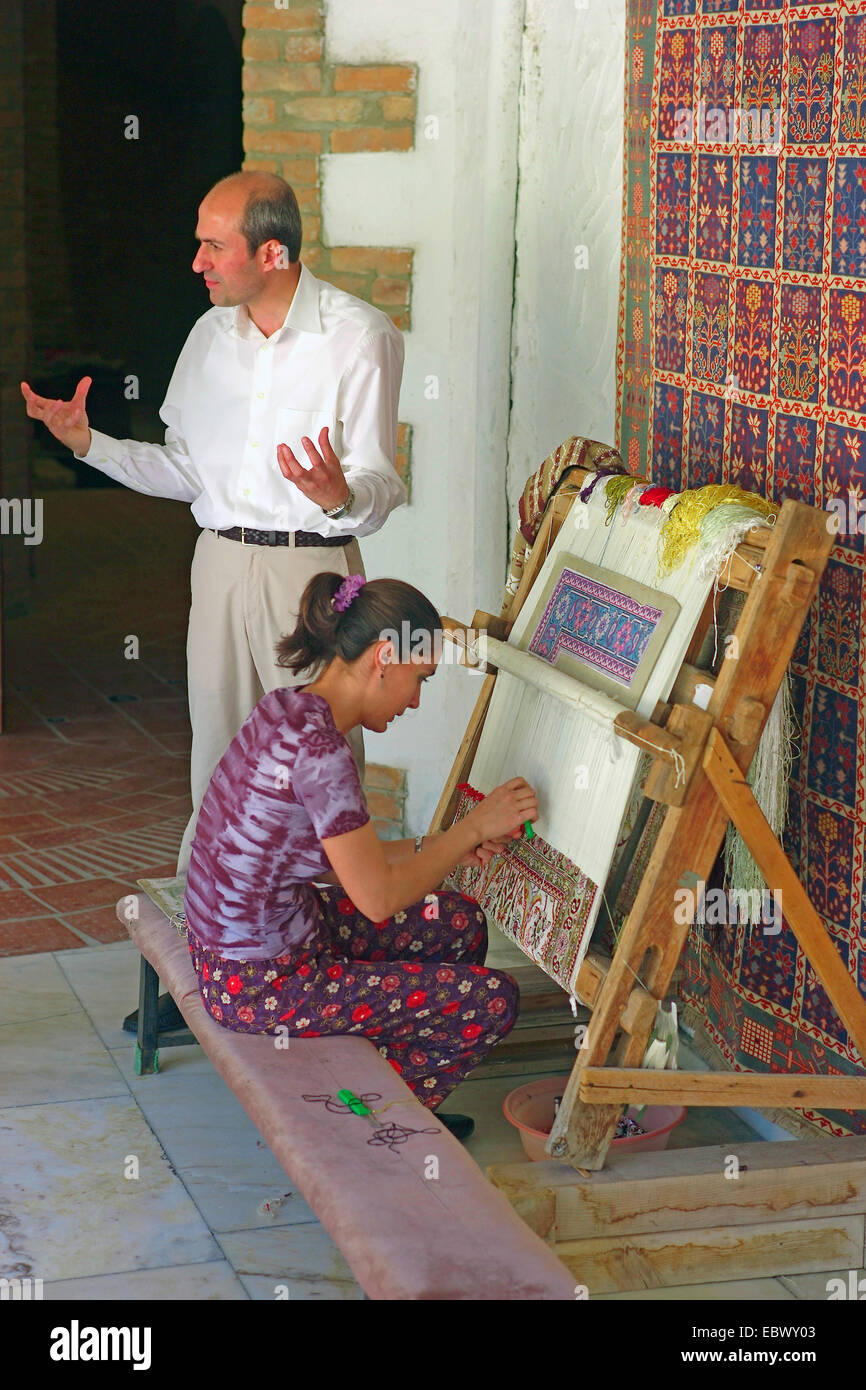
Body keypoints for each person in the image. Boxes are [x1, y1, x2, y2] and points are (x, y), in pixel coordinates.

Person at [20, 170, 406, 878]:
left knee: (318, 770)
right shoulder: (205, 337)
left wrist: (339, 492)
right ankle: (214, 947)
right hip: (220, 564)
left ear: (271, 254)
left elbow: (382, 488)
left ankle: (320, 946)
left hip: (314, 575)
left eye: (212, 246)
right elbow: (188, 471)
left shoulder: (359, 337)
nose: (197, 262)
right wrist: (89, 445)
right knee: (220, 762)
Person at [183, 572, 538, 1137]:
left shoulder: (287, 709)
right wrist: (468, 829)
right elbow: (377, 899)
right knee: (492, 1001)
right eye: (419, 679)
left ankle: (379, 1058)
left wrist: (437, 845)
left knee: (458, 924)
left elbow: (330, 856)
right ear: (384, 656)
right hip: (264, 983)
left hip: (244, 954)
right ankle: (366, 1121)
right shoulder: (322, 752)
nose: (417, 701)